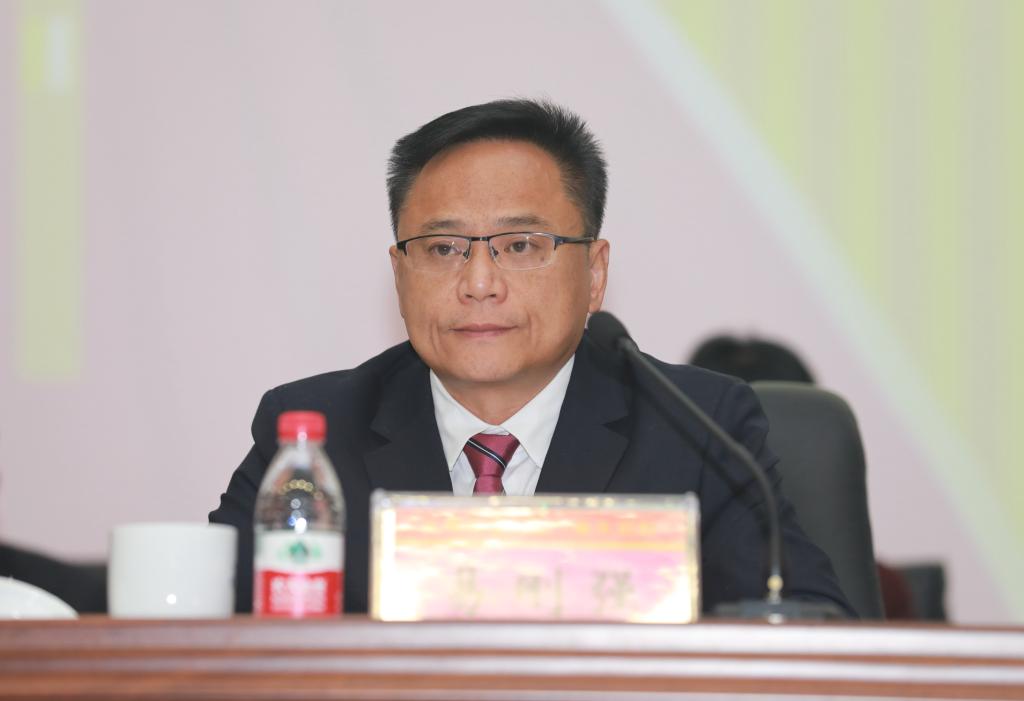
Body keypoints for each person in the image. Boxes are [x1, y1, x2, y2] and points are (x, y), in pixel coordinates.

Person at [210, 99, 853, 616]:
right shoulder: (316, 431)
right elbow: (200, 632)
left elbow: (812, 633)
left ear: (594, 274)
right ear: (400, 274)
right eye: (443, 249)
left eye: (520, 246)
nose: (479, 283)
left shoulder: (696, 428)